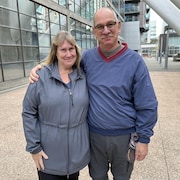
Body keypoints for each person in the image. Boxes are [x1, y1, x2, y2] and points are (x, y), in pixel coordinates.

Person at [29, 7, 158, 180]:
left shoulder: (135, 62)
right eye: (100, 26)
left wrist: (144, 139)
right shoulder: (87, 59)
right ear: (94, 31)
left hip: (124, 137)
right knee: (97, 177)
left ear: (119, 26)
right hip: (94, 136)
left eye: (110, 24)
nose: (106, 30)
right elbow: (63, 63)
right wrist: (42, 67)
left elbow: (147, 104)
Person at [22, 30, 90, 180]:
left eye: (71, 49)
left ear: (76, 50)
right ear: (56, 52)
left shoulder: (83, 75)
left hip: (75, 157)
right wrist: (34, 148)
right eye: (63, 50)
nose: (68, 54)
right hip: (48, 156)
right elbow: (28, 112)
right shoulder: (41, 77)